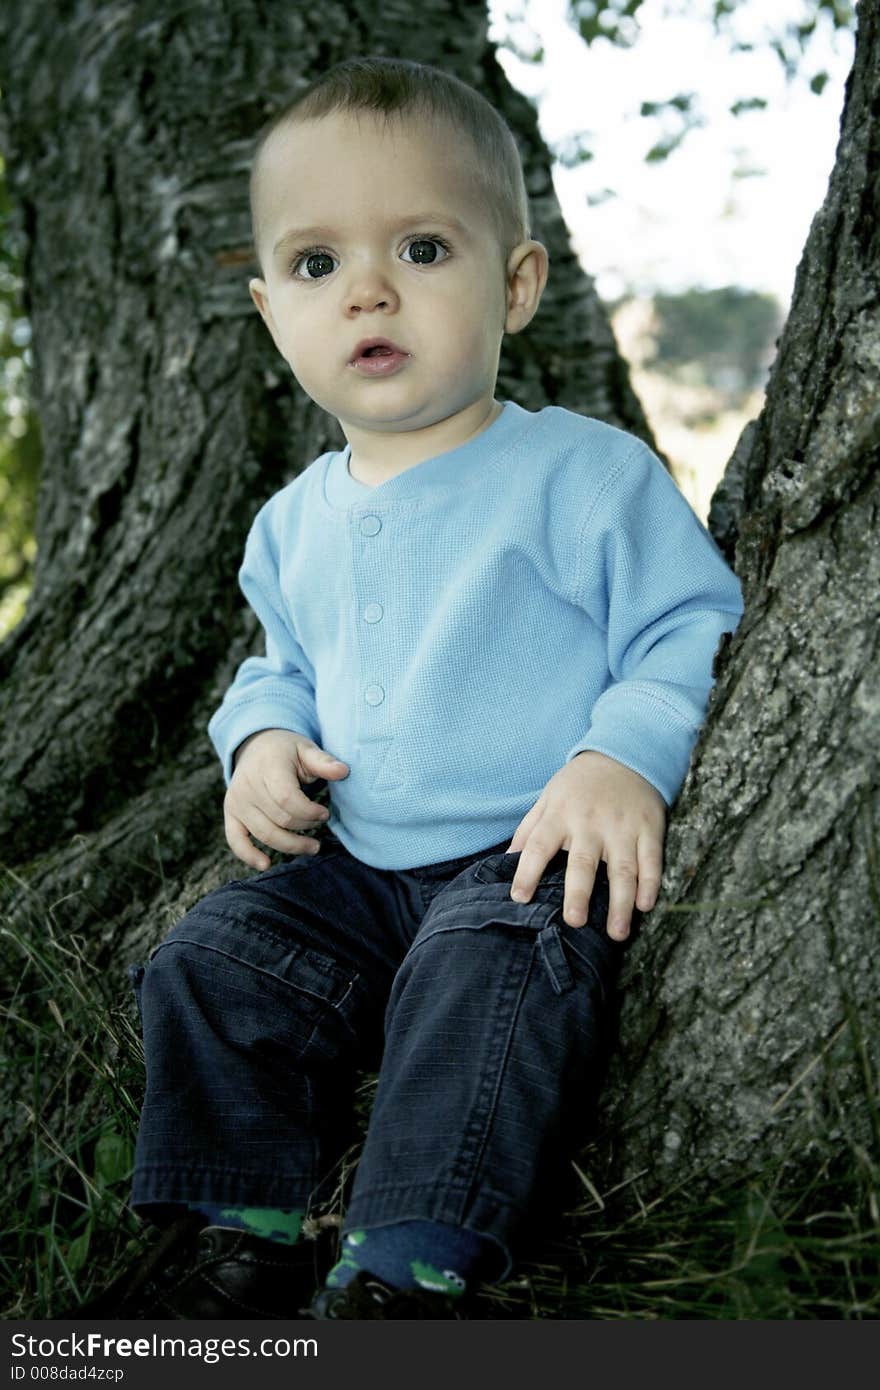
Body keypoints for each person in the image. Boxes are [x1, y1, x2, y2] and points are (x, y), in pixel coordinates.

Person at [74, 55, 743, 1321]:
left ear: (518, 281)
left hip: (520, 855)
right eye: (318, 265)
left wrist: (618, 760)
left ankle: (411, 1258)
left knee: (489, 970)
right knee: (213, 955)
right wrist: (260, 739)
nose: (369, 288)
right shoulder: (290, 522)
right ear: (273, 313)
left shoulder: (578, 474)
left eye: (424, 248)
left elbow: (687, 623)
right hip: (357, 870)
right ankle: (243, 1225)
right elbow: (283, 663)